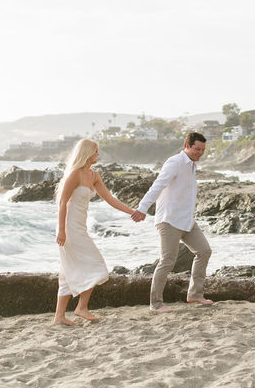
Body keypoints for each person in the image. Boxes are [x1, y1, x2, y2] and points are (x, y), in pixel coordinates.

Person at [54, 138, 144, 325]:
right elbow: (62, 202)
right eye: (95, 151)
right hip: (70, 228)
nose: (98, 154)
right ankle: (81, 307)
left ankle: (59, 317)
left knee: (67, 271)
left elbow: (110, 198)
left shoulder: (94, 175)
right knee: (96, 264)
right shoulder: (75, 174)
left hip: (80, 226)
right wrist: (62, 230)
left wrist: (132, 212)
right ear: (87, 153)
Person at [136, 131, 213, 311]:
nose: (199, 153)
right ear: (187, 146)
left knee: (204, 251)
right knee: (167, 261)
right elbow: (158, 185)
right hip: (169, 220)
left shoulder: (192, 165)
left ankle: (195, 294)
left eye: (202, 150)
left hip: (186, 220)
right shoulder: (175, 162)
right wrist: (142, 208)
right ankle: (155, 304)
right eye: (196, 149)